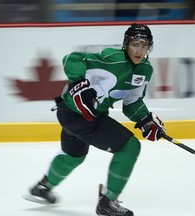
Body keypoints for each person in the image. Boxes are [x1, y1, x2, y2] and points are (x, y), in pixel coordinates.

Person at [24, 23, 166, 216]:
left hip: (75, 114)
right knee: (130, 147)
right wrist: (79, 83)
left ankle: (42, 188)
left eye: (144, 45)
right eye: (135, 44)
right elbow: (72, 59)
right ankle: (107, 202)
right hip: (79, 115)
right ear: (126, 45)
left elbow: (131, 102)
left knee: (74, 156)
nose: (139, 50)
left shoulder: (145, 70)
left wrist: (146, 120)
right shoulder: (112, 60)